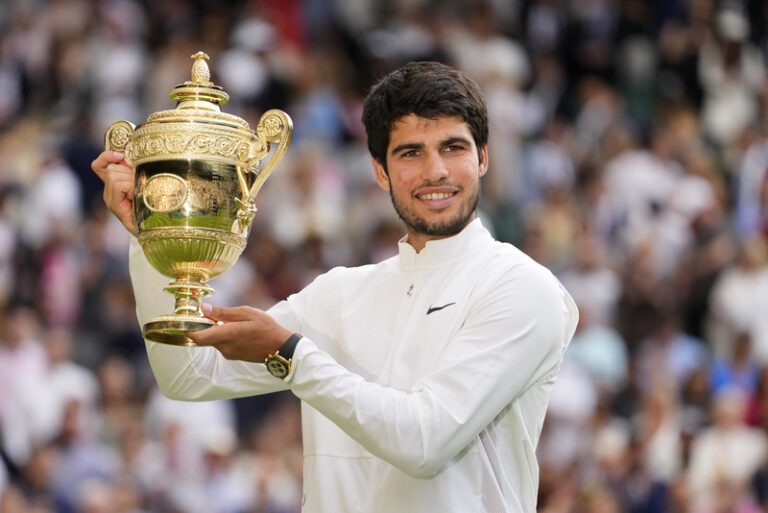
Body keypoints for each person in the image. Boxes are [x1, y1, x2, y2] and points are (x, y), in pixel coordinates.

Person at [91, 61, 578, 513]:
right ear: (380, 171)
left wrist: (290, 355)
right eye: (411, 152)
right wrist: (151, 232)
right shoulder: (340, 293)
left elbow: (425, 442)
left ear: (483, 157)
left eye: (454, 148)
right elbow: (188, 375)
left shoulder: (523, 288)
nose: (436, 171)